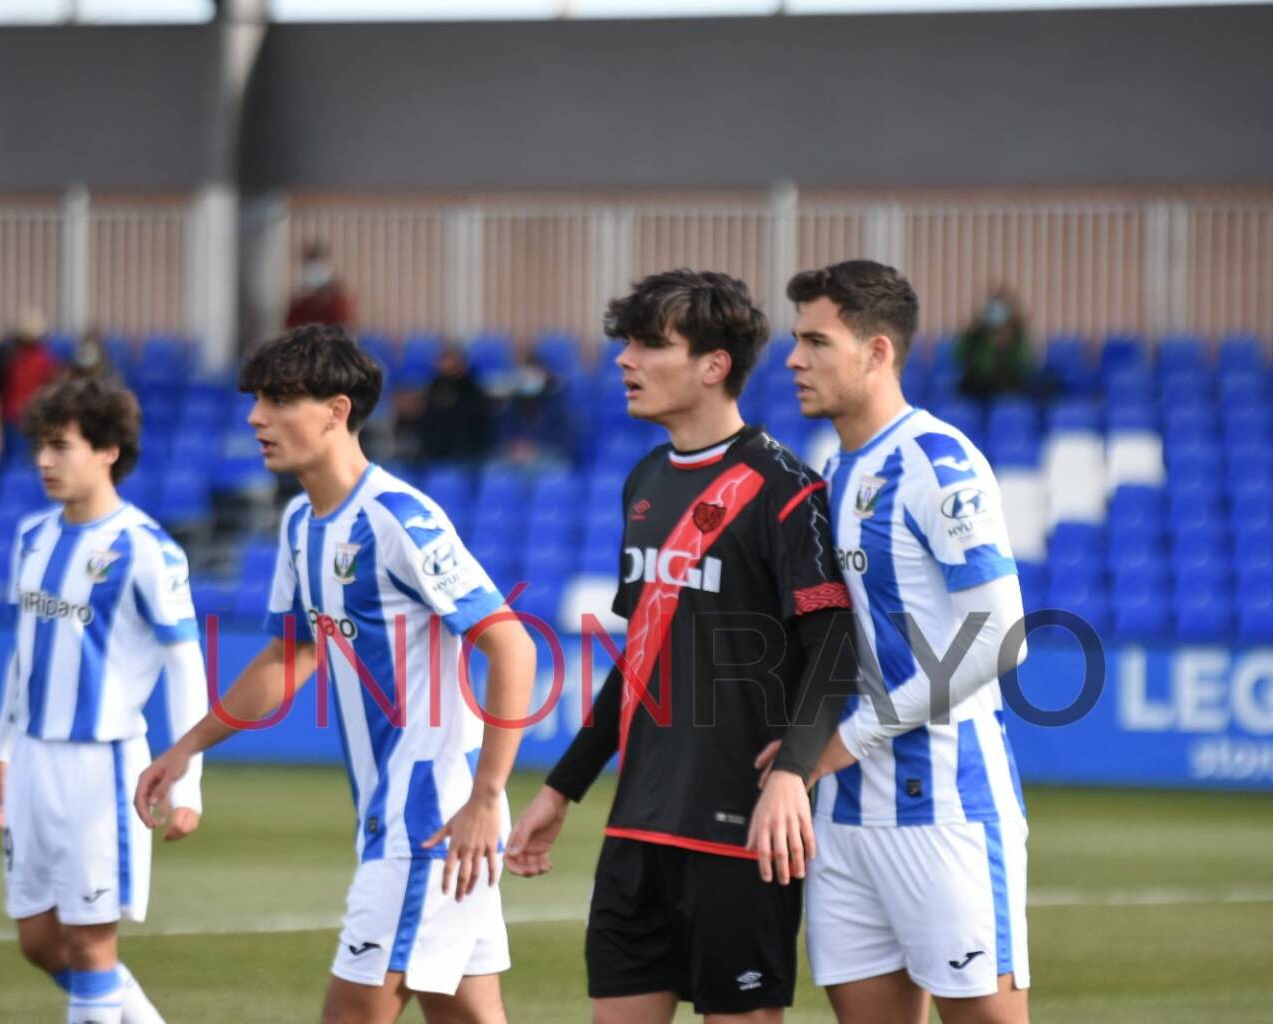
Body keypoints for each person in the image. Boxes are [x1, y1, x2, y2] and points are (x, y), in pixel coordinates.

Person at [133, 324, 536, 1024]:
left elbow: (512, 646)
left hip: (432, 817)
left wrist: (485, 796)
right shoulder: (300, 523)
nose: (257, 418)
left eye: (279, 399)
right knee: (465, 1013)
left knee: (352, 1013)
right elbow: (289, 659)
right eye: (257, 400)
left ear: (336, 410)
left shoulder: (399, 518)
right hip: (402, 813)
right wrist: (184, 748)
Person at [504, 269, 858, 1023]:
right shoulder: (645, 479)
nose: (624, 361)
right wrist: (561, 787)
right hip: (635, 829)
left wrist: (793, 772)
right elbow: (640, 657)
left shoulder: (786, 489)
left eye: (647, 344)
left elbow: (835, 648)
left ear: (713, 365)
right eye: (624, 344)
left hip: (740, 831)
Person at [781, 260, 1031, 1024]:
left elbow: (999, 638)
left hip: (944, 801)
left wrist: (846, 738)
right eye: (795, 342)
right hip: (845, 813)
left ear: (877, 351)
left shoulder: (934, 462)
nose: (794, 360)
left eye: (816, 342)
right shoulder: (834, 470)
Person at [0, 375, 209, 1024]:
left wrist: (188, 785)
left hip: (101, 766)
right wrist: (0, 752)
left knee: (90, 943)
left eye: (61, 446)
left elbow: (183, 664)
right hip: (30, 760)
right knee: (38, 941)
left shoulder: (145, 549)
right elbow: (23, 657)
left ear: (109, 450)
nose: (44, 462)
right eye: (39, 447)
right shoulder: (33, 538)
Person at [955, 288, 1033, 400]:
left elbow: (1027, 365)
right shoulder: (977, 335)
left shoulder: (1017, 335)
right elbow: (959, 356)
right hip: (979, 388)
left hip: (1010, 388)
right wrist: (975, 328)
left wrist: (1008, 342)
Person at [285, 243, 355, 329]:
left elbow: (346, 329)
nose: (314, 271)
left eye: (317, 265)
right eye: (310, 265)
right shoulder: (300, 305)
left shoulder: (339, 302)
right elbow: (290, 329)